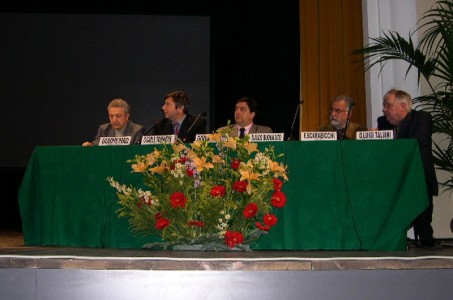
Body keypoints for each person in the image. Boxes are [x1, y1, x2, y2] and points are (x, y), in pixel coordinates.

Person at [377, 88, 440, 249]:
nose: (384, 110)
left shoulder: (422, 119)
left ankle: (427, 241)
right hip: (394, 177)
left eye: (388, 106)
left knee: (420, 202)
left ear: (403, 106)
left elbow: (415, 144)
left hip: (418, 175)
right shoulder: (383, 122)